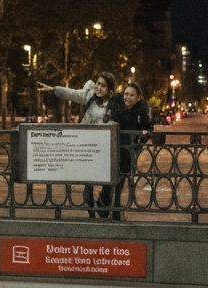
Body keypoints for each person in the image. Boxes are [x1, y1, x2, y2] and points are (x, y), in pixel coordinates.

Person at [38, 71, 117, 217]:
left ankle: (103, 206)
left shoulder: (113, 105)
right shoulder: (89, 96)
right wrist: (54, 89)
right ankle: (90, 211)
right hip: (87, 145)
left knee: (106, 180)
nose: (99, 87)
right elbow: (72, 93)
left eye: (103, 86)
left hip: (103, 148)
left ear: (110, 89)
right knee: (88, 182)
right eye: (98, 83)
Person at [100, 81, 153, 220]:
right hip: (113, 147)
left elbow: (147, 129)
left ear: (138, 97)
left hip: (127, 151)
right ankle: (105, 204)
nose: (127, 97)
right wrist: (107, 117)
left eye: (131, 95)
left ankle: (113, 208)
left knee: (120, 180)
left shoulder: (141, 110)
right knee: (110, 179)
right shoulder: (116, 104)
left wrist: (140, 141)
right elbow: (106, 119)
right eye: (126, 94)